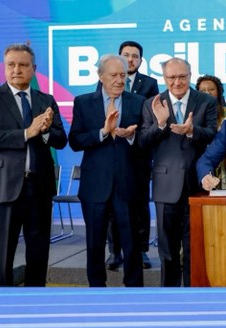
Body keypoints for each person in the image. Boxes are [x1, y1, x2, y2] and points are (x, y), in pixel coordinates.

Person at [0, 43, 67, 287]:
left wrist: (45, 131)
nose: (17, 70)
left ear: (33, 69)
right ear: (4, 68)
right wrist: (27, 132)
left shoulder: (46, 100)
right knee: (0, 256)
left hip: (39, 188)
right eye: (11, 65)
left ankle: (35, 304)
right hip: (2, 189)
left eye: (23, 65)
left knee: (38, 254)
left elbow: (61, 139)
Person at [69, 54, 146, 287]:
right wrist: (103, 132)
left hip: (128, 183)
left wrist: (132, 135)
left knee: (131, 242)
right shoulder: (83, 102)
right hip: (95, 186)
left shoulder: (138, 102)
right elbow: (75, 140)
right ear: (101, 76)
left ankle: (134, 290)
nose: (119, 80)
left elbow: (148, 140)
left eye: (123, 75)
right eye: (113, 75)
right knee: (94, 242)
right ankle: (96, 289)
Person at [139, 57, 217, 287]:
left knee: (195, 247)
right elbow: (143, 142)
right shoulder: (152, 103)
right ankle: (169, 298)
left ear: (190, 76)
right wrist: (160, 124)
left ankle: (194, 296)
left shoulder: (205, 101)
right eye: (172, 77)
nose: (177, 82)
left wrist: (193, 131)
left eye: (182, 77)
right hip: (165, 185)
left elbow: (213, 133)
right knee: (168, 249)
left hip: (198, 183)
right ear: (164, 78)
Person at [106, 41, 159, 272]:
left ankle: (141, 251)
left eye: (135, 56)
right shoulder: (106, 80)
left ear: (141, 60)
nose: (130, 59)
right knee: (111, 206)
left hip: (138, 154)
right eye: (125, 55)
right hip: (111, 153)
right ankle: (114, 252)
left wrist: (134, 131)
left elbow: (154, 118)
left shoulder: (149, 84)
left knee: (139, 206)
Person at [196, 74, 226, 189]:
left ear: (219, 92)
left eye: (211, 89)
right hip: (203, 164)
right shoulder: (194, 116)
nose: (207, 93)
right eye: (203, 90)